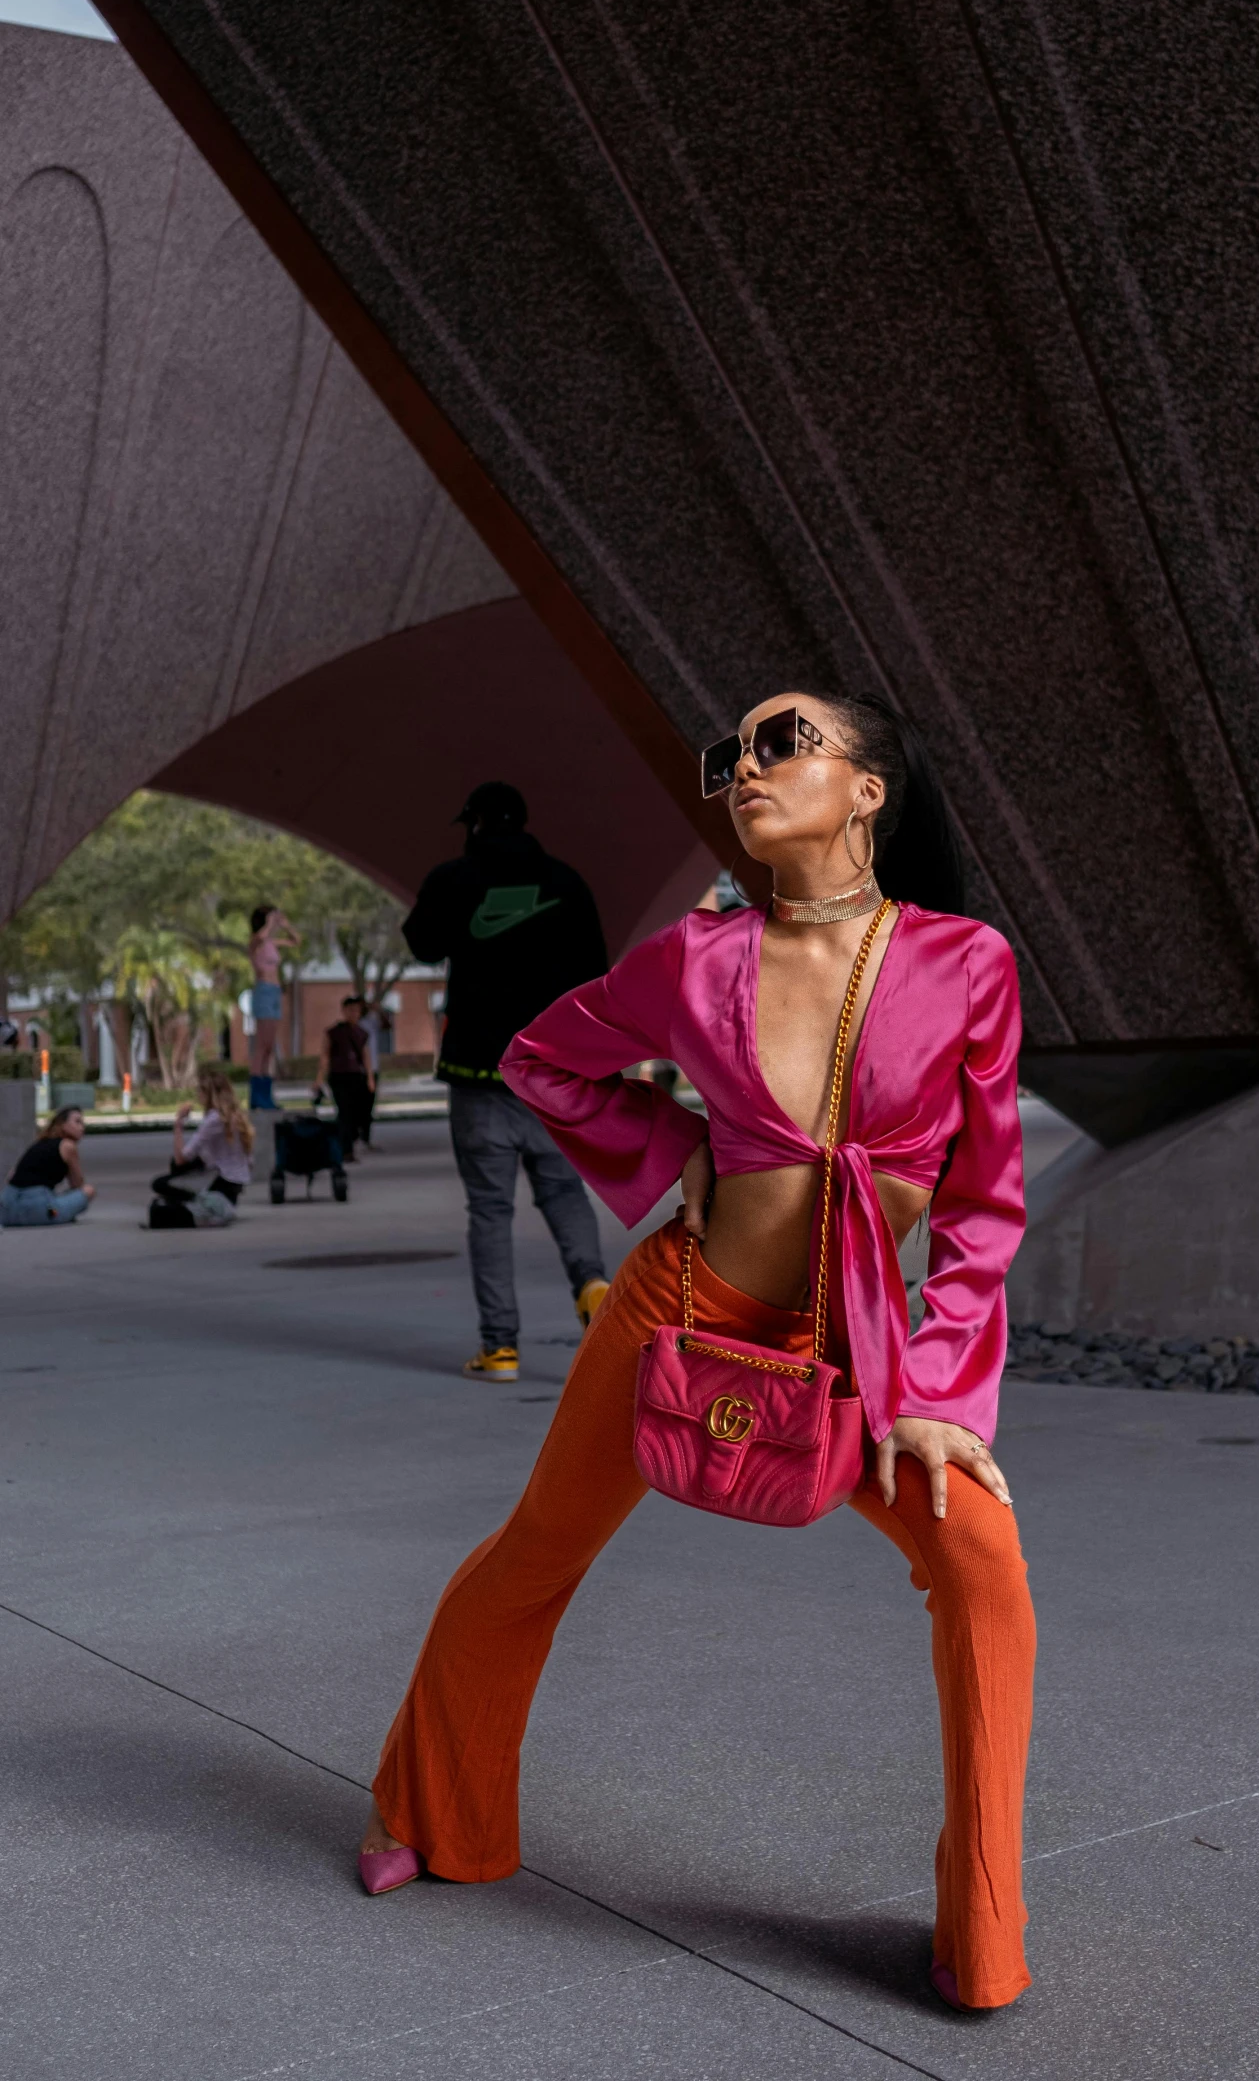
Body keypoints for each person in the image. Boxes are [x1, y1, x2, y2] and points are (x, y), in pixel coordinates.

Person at [360, 695, 1034, 2013]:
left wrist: (946, 1393)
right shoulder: (695, 958)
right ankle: (433, 1812)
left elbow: (984, 1200)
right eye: (729, 758)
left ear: (869, 791)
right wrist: (676, 1156)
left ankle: (980, 1932)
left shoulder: (966, 964)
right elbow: (545, 1057)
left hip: (857, 1337)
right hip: (680, 1302)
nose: (744, 771)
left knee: (983, 1565)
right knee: (534, 1552)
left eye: (785, 743)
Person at [403, 781, 612, 1381]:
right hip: (552, 1073)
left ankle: (500, 1348)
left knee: (490, 1211)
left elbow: (420, 943)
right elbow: (596, 975)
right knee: (564, 1192)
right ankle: (594, 1288)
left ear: (473, 825)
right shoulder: (567, 883)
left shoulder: (456, 878)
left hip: (477, 1072)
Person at [152, 1070, 254, 1219]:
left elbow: (182, 1158)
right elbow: (248, 1159)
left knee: (160, 1183)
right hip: (235, 1183)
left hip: (222, 1181)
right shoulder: (237, 1115)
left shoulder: (214, 1119)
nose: (197, 1095)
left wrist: (179, 1124)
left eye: (199, 1091)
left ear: (208, 1094)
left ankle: (195, 1200)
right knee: (189, 1164)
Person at [2, 1106, 96, 1225]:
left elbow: (11, 1176)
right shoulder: (68, 1146)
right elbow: (77, 1184)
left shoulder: (39, 1144)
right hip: (42, 1211)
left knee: (56, 1200)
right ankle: (59, 1213)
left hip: (6, 1211)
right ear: (62, 1124)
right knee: (88, 1190)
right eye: (77, 1122)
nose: (82, 1127)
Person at [247, 906, 301, 1110]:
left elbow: (296, 941)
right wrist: (270, 923)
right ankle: (256, 1095)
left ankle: (266, 1094)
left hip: (275, 993)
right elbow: (260, 937)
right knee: (262, 1046)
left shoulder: (269, 942)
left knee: (270, 1047)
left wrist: (286, 925)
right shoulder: (256, 941)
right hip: (264, 992)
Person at [316, 995, 375, 1163]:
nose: (353, 1013)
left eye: (356, 1010)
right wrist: (319, 1078)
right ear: (343, 1011)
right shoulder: (334, 1032)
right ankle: (345, 1150)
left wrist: (370, 1078)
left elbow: (365, 1056)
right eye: (350, 1010)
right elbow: (325, 1056)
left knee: (357, 1113)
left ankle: (350, 1141)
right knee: (344, 1113)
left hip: (356, 1076)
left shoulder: (361, 1033)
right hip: (339, 1076)